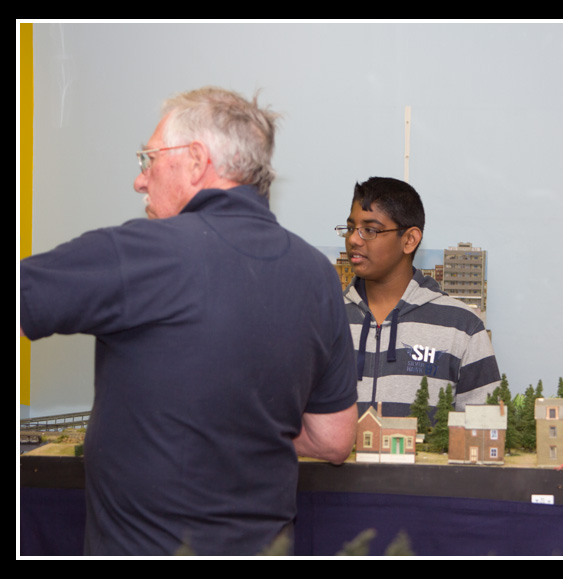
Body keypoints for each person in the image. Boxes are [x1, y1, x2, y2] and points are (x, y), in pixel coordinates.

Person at [19, 87, 358, 556]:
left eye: (149, 159)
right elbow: (334, 438)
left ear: (196, 160)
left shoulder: (143, 251)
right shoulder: (317, 275)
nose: (140, 180)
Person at [336, 177, 501, 418]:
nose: (353, 239)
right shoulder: (323, 318)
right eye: (351, 228)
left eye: (369, 230)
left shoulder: (462, 326)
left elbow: (485, 427)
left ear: (409, 240)